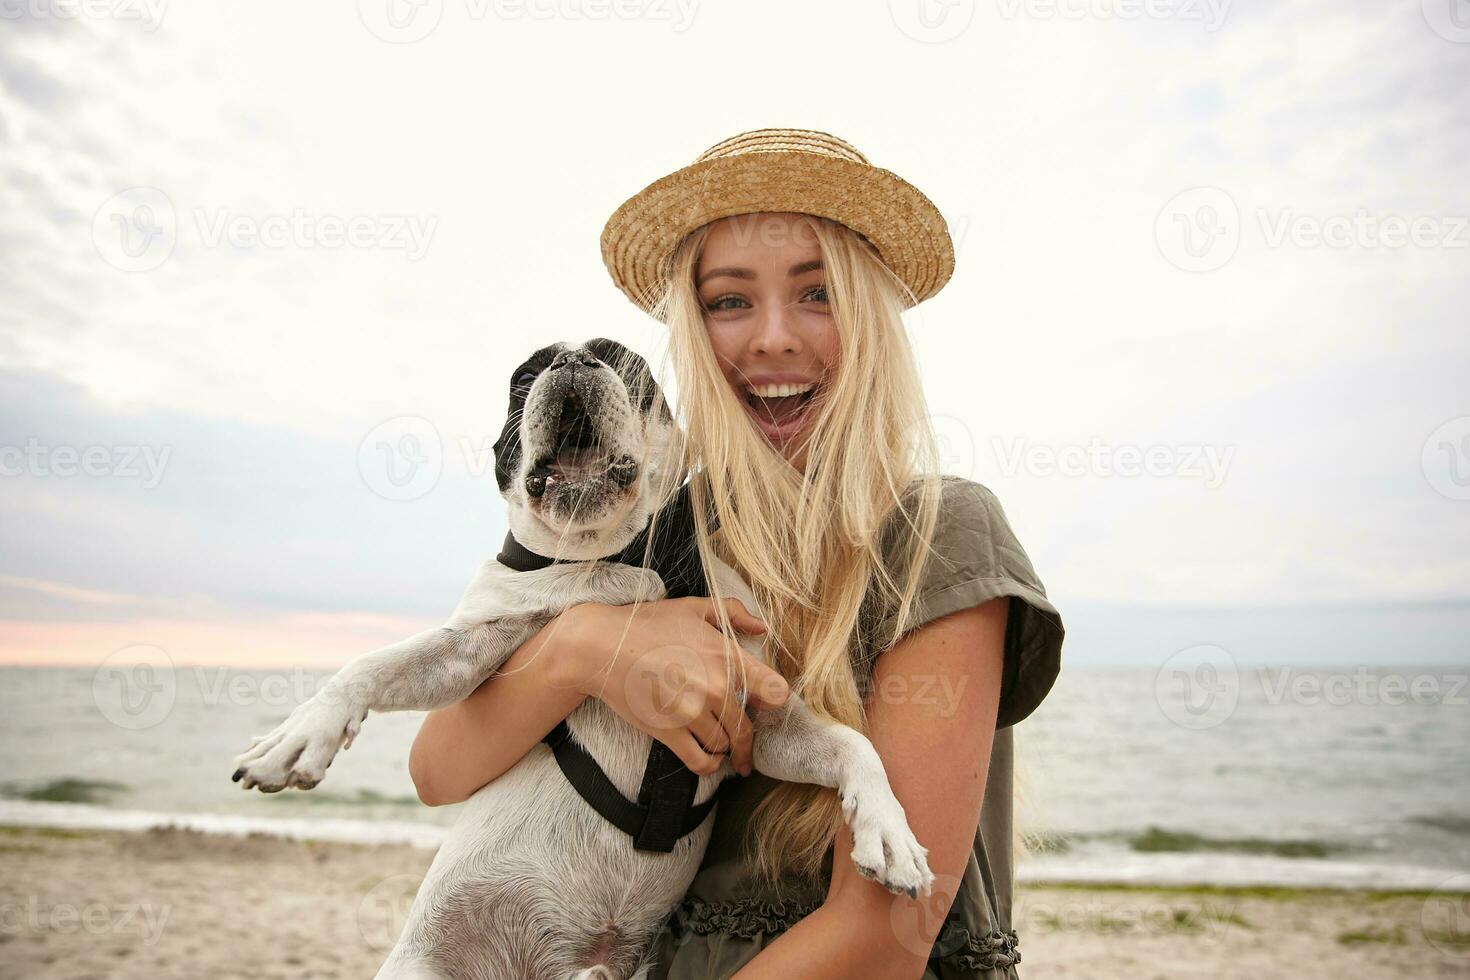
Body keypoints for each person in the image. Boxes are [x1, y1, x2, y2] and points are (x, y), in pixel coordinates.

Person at [408, 128, 1065, 979]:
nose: (773, 339)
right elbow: (437, 769)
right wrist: (583, 650)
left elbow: (885, 939)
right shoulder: (665, 533)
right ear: (692, 326)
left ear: (871, 320)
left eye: (818, 293)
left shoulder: (939, 533)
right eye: (729, 301)